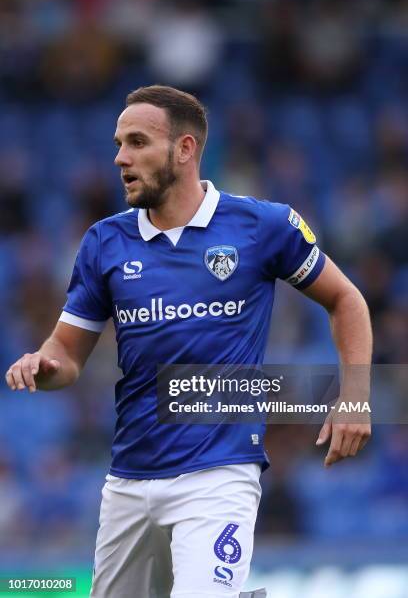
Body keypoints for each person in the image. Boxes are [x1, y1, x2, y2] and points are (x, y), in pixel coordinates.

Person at [5, 85, 372, 598]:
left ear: (185, 149)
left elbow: (347, 301)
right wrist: (44, 365)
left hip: (218, 475)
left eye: (136, 142)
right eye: (118, 143)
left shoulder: (263, 225)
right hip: (129, 478)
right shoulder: (104, 243)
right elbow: (66, 353)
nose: (120, 158)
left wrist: (354, 396)